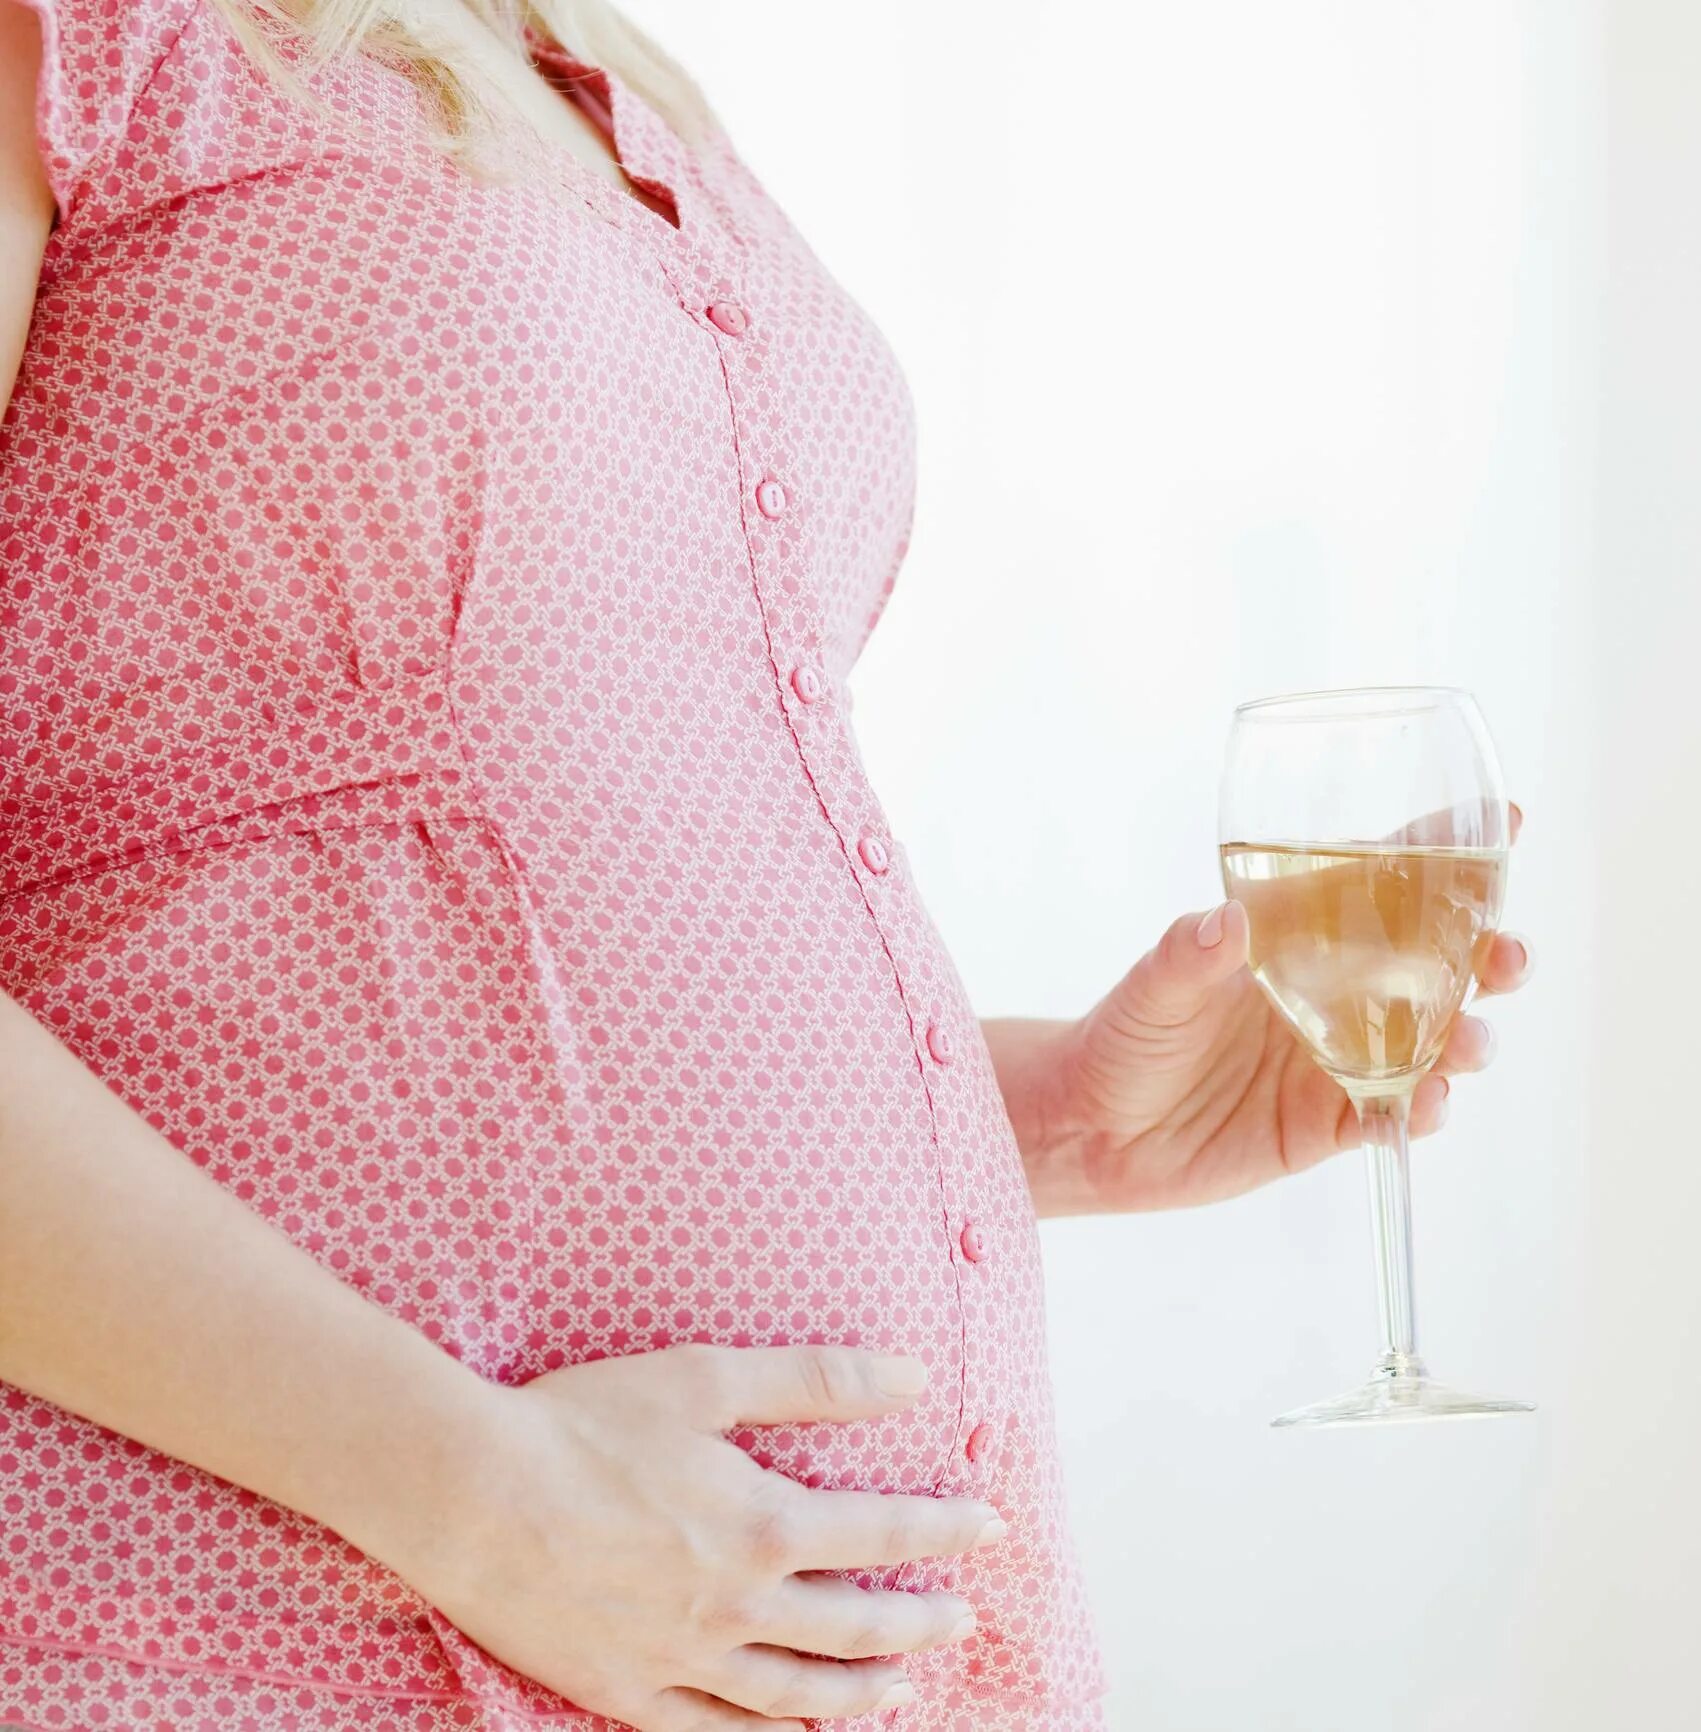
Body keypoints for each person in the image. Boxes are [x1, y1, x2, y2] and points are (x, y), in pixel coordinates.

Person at [0, 0, 1536, 1726]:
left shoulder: (606, 84)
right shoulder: (103, 41)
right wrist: (471, 1492)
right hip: (248, 1620)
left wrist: (1051, 1128)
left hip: (862, 1645)